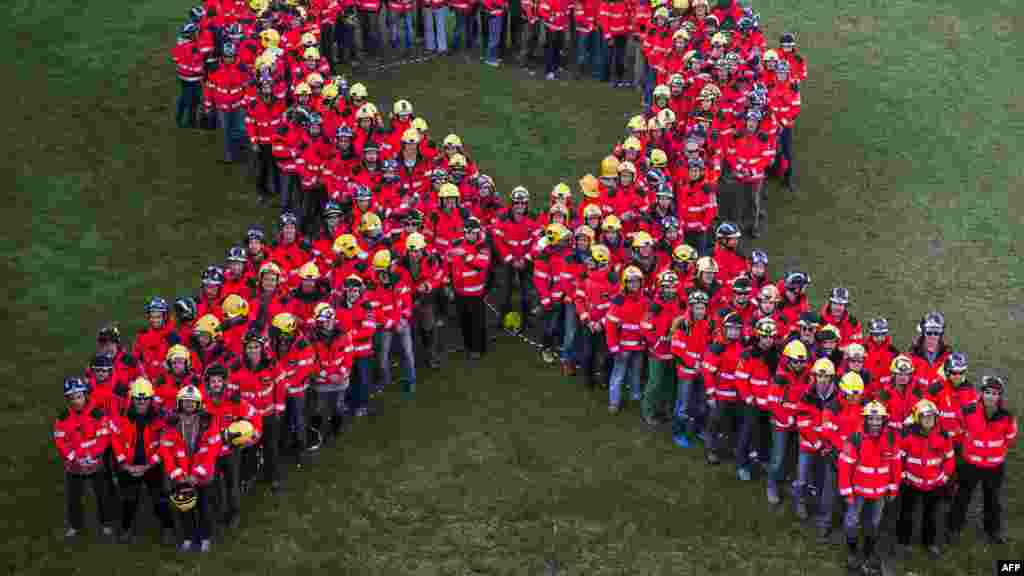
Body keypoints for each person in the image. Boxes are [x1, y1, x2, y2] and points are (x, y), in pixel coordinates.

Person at [948, 375, 1016, 546]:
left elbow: (1010, 437)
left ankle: (993, 530)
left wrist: (997, 452)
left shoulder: (1007, 416)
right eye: (987, 392)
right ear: (981, 393)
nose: (991, 396)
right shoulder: (968, 410)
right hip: (971, 463)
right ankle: (954, 527)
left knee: (992, 500)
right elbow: (957, 431)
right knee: (962, 497)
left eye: (995, 393)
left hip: (994, 466)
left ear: (1000, 396)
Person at [838, 401, 902, 573]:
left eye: (878, 419)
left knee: (873, 523)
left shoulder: (891, 438)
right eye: (871, 419)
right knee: (851, 522)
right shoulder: (855, 439)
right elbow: (845, 466)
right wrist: (847, 492)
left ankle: (868, 552)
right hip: (858, 491)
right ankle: (852, 551)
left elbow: (896, 465)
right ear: (865, 419)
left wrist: (894, 487)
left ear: (884, 420)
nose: (875, 422)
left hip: (880, 492)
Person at [110, 377, 175, 545]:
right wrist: (124, 464)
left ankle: (168, 528)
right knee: (129, 500)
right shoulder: (122, 417)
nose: (141, 402)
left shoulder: (160, 418)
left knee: (159, 499)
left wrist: (149, 464)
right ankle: (126, 529)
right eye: (138, 399)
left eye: (145, 399)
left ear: (150, 399)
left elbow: (164, 445)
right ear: (132, 399)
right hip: (129, 465)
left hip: (152, 465)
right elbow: (116, 440)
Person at [161, 385, 222, 553]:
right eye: (185, 401)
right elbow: (165, 450)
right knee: (185, 507)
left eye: (192, 402)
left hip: (202, 475)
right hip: (181, 474)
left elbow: (212, 450)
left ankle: (205, 538)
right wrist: (178, 474)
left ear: (199, 403)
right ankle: (188, 538)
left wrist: (197, 474)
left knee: (204, 508)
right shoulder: (171, 422)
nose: (189, 404)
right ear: (179, 403)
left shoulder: (208, 420)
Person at [55, 377, 114, 540]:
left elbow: (104, 437)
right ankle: (75, 526)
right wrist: (74, 457)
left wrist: (92, 455)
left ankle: (106, 524)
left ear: (85, 395)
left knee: (102, 494)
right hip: (74, 465)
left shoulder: (98, 414)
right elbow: (60, 440)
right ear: (67, 399)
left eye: (79, 396)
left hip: (95, 462)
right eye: (72, 398)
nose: (76, 401)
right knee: (74, 497)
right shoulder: (63, 417)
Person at [203, 364, 260, 530]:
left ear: (225, 383)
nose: (215, 384)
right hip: (210, 453)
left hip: (230, 452)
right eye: (212, 381)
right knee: (211, 483)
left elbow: (254, 416)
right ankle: (217, 512)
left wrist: (254, 437)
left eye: (219, 381)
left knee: (231, 484)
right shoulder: (202, 403)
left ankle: (234, 513)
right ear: (207, 383)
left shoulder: (235, 402)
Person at [898, 399, 954, 558]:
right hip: (911, 483)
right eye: (924, 417)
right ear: (917, 418)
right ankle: (903, 542)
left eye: (932, 417)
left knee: (931, 515)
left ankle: (929, 543)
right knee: (906, 514)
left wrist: (944, 477)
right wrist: (904, 476)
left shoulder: (943, 435)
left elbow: (950, 459)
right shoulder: (908, 435)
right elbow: (899, 458)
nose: (929, 420)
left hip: (934, 484)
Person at [795, 358, 841, 541]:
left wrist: (827, 445)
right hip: (809, 443)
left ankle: (821, 510)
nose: (822, 380)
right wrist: (818, 444)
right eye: (818, 376)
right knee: (802, 476)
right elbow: (803, 424)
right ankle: (800, 502)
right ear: (813, 376)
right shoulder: (807, 395)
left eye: (826, 377)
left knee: (823, 480)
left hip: (827, 446)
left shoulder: (838, 397)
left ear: (832, 378)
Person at [765, 340, 810, 505]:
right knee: (778, 457)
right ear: (787, 360)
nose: (799, 364)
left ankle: (786, 481)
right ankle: (772, 485)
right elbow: (772, 403)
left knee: (792, 456)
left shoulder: (807, 374)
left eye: (801, 361)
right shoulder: (780, 378)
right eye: (795, 361)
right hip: (781, 423)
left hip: (798, 422)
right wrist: (786, 418)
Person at [446, 217, 492, 360]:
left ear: (478, 233)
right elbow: (448, 262)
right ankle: (468, 345)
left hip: (476, 292)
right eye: (467, 233)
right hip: (459, 291)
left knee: (477, 322)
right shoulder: (457, 244)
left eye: (472, 233)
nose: (470, 236)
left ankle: (478, 348)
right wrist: (448, 283)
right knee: (464, 320)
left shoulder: (483, 247)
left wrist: (465, 255)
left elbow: (481, 264)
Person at [605, 265, 648, 412]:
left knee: (636, 373)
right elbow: (610, 325)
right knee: (618, 375)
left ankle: (635, 396)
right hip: (622, 347)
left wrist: (645, 339)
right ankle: (614, 402)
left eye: (636, 281)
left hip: (639, 346)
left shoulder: (645, 299)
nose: (634, 284)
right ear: (625, 283)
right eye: (630, 281)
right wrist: (613, 346)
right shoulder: (618, 300)